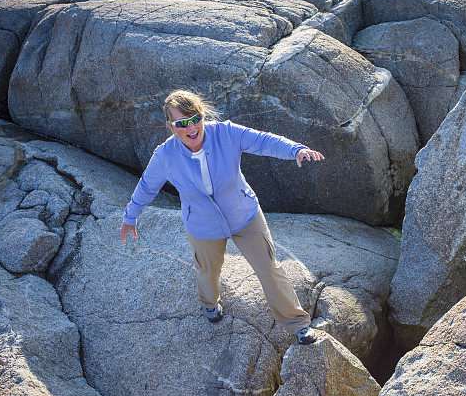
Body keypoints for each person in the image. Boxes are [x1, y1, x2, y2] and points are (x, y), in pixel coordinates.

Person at [120, 90, 325, 344]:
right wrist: (130, 217)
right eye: (181, 123)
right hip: (202, 225)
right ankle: (209, 304)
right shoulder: (164, 156)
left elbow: (263, 141)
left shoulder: (226, 133)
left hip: (245, 214)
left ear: (202, 116)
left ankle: (298, 325)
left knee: (270, 269)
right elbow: (147, 187)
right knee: (207, 272)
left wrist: (295, 150)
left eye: (195, 118)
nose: (191, 127)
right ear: (170, 127)